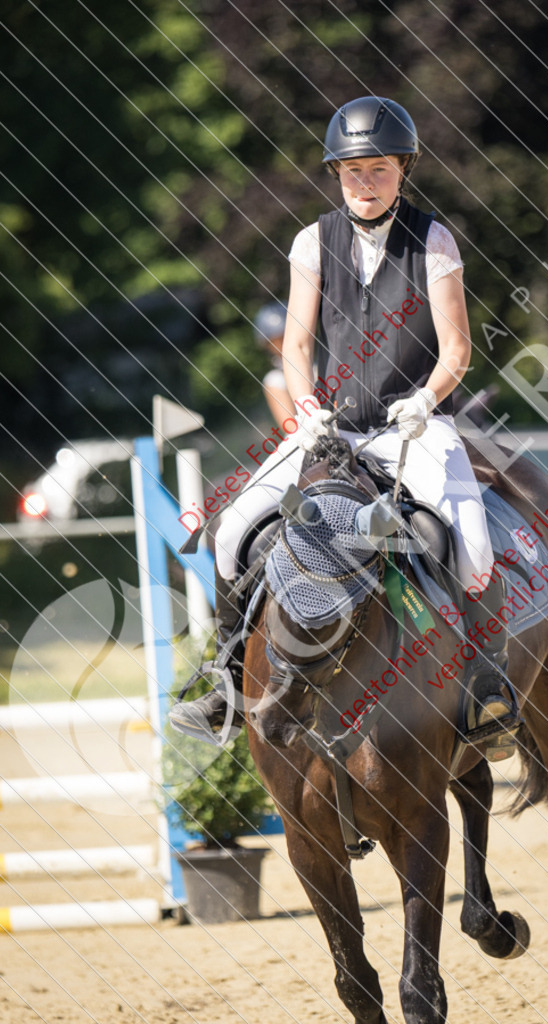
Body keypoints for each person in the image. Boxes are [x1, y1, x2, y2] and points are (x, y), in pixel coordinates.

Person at [169, 96, 520, 759]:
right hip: (332, 430)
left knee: (469, 540)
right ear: (336, 173)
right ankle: (223, 680)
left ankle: (485, 678)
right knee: (232, 528)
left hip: (413, 428)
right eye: (353, 171)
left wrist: (425, 399)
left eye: (379, 169)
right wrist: (305, 413)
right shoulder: (313, 240)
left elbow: (456, 350)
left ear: (402, 169)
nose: (365, 183)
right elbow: (296, 346)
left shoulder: (433, 239)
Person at [253, 300, 296, 428]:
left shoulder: (320, 362)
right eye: (276, 341)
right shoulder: (276, 380)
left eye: (284, 336)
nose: (282, 344)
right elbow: (290, 427)